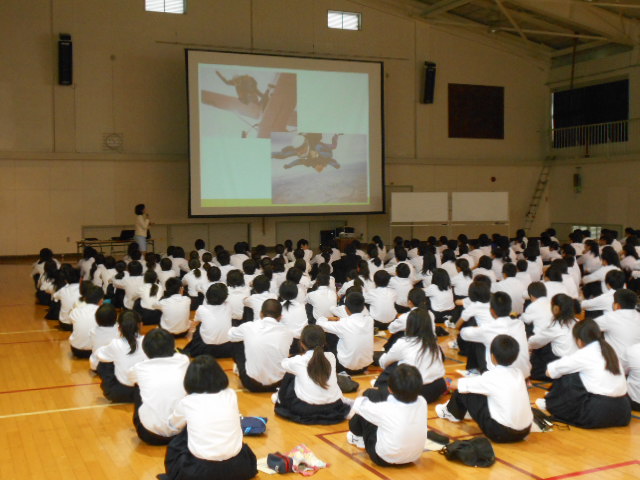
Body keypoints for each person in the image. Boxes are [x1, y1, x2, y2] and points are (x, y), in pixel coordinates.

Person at [161, 355, 258, 480]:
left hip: (200, 473)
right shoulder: (231, 395)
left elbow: (173, 426)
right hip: (239, 467)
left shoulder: (187, 402)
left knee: (181, 436)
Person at [436, 335, 533, 443]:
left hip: (500, 433)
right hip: (525, 431)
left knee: (464, 391)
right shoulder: (519, 373)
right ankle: (461, 411)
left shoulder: (492, 376)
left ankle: (451, 413)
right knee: (481, 391)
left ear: (493, 356)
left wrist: (450, 382)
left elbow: (456, 385)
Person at [539, 319, 631, 428]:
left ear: (579, 340)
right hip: (623, 412)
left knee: (569, 377)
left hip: (597, 412)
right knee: (577, 374)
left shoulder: (585, 353)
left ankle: (550, 403)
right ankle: (550, 400)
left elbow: (551, 372)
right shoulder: (609, 350)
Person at [347, 364, 428, 467]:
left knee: (365, 409)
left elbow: (358, 405)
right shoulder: (422, 401)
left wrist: (363, 393)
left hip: (382, 459)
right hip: (414, 456)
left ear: (389, 389)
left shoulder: (385, 409)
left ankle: (357, 437)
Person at [274, 325, 351, 424]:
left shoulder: (298, 361)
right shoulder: (331, 357)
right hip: (333, 406)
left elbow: (283, 364)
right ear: (324, 343)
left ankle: (280, 398)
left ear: (302, 343)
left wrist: (294, 356)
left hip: (307, 409)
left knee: (291, 374)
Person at [128, 328, 190, 445]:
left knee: (138, 386)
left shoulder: (139, 368)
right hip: (184, 433)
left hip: (149, 435)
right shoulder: (184, 360)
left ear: (145, 349)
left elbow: (130, 379)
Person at [376, 309, 447, 403]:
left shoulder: (404, 342)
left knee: (392, 366)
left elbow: (384, 363)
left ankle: (383, 387)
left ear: (409, 324)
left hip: (414, 391)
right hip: (437, 388)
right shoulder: (434, 343)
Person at [459, 292, 531, 378]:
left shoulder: (488, 328)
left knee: (478, 341)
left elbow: (463, 333)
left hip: (499, 376)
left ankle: (474, 370)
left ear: (492, 310)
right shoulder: (520, 324)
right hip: (523, 374)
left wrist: (479, 327)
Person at [228, 299, 294, 392]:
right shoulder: (288, 332)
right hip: (279, 384)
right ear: (280, 317)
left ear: (261, 314)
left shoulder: (249, 326)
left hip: (251, 384)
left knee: (237, 342)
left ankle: (240, 369)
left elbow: (230, 335)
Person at [91, 310, 147, 403]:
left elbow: (98, 354)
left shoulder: (115, 344)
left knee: (104, 361)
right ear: (141, 325)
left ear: (119, 328)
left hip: (119, 393)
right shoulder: (147, 341)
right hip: (144, 393)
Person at [317, 292, 374, 375]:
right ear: (363, 307)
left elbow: (319, 324)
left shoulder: (344, 323)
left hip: (346, 367)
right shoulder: (370, 320)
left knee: (330, 335)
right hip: (365, 365)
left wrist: (326, 318)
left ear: (346, 308)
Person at [528, 294, 578, 380]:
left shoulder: (556, 326)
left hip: (561, 363)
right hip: (575, 362)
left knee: (538, 349)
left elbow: (535, 342)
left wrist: (527, 346)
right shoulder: (577, 322)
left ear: (555, 308)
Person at [182, 284, 235, 358]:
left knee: (199, 326)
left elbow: (194, 325)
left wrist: (189, 334)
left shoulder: (201, 309)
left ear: (208, 295)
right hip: (226, 346)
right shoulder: (229, 306)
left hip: (206, 346)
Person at [69, 285, 104, 358]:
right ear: (101, 300)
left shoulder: (76, 311)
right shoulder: (103, 313)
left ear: (84, 298)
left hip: (76, 350)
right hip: (96, 351)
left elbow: (70, 321)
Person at [88, 303, 120, 370]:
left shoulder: (93, 331)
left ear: (96, 319)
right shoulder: (119, 331)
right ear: (116, 317)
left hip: (96, 365)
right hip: (114, 367)